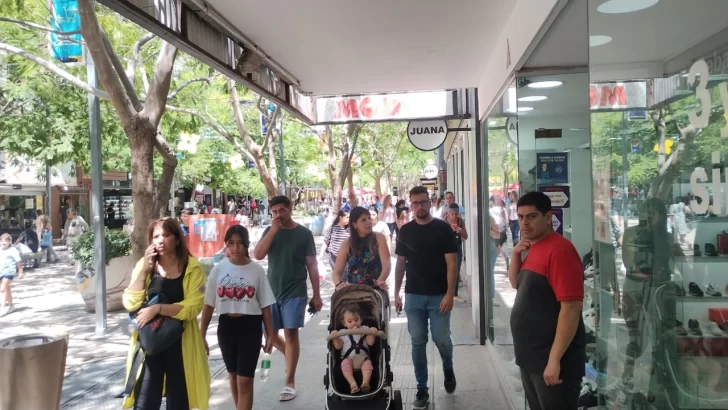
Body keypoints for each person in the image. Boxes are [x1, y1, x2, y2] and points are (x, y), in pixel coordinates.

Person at [121, 218, 210, 410]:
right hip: (150, 346)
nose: (160, 240)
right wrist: (144, 271)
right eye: (156, 236)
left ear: (177, 239)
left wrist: (158, 308)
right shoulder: (145, 265)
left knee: (179, 403)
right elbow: (130, 302)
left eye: (166, 235)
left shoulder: (192, 267)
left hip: (181, 345)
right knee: (144, 403)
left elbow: (193, 306)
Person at [508, 192, 585, 410]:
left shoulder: (560, 251)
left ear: (548, 217)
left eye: (531, 217)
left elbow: (571, 309)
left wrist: (554, 360)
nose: (524, 223)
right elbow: (516, 283)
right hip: (531, 358)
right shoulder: (533, 246)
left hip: (552, 362)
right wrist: (515, 254)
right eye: (521, 217)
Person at [253, 195, 323, 402]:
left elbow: (312, 264)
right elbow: (258, 255)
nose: (278, 215)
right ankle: (290, 355)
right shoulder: (270, 231)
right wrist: (273, 231)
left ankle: (289, 381)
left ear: (291, 208)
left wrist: (316, 295)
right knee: (270, 334)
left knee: (291, 333)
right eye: (274, 211)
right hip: (271, 291)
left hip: (296, 290)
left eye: (282, 210)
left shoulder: (304, 234)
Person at [394, 186, 458, 409]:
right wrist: (396, 293)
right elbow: (400, 264)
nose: (419, 207)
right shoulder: (405, 230)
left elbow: (452, 263)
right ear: (410, 205)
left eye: (423, 202)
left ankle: (448, 368)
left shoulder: (442, 229)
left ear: (429, 202)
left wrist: (450, 294)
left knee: (442, 338)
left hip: (439, 294)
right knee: (418, 342)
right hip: (413, 296)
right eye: (415, 203)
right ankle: (422, 388)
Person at [200, 225, 276, 410]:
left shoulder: (256, 271)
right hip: (226, 327)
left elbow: (266, 305)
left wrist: (270, 334)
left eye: (240, 243)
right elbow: (208, 304)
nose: (235, 248)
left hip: (250, 326)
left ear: (246, 245)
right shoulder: (218, 270)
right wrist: (201, 335)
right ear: (226, 245)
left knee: (245, 380)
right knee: (233, 376)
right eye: (231, 243)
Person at [332, 206, 391, 290]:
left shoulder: (379, 238)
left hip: (375, 290)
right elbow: (337, 272)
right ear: (354, 224)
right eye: (363, 220)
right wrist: (338, 284)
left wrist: (380, 281)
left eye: (369, 218)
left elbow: (387, 265)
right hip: (354, 291)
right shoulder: (347, 244)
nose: (369, 222)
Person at [330, 305, 379, 394]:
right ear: (344, 323)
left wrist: (372, 332)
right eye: (350, 321)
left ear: (361, 320)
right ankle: (353, 384)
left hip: (363, 359)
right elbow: (338, 346)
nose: (354, 323)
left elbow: (370, 342)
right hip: (348, 360)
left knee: (368, 363)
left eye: (356, 320)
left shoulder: (365, 329)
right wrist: (335, 337)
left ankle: (365, 383)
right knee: (344, 363)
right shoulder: (342, 333)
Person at [446, 203, 468, 302]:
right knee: (446, 270)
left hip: (457, 248)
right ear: (449, 214)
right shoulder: (444, 222)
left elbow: (466, 237)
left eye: (456, 214)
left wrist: (461, 230)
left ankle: (455, 294)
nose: (454, 216)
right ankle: (446, 292)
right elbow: (440, 238)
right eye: (452, 214)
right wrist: (450, 230)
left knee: (456, 270)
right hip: (446, 249)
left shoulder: (460, 221)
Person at [0, 233, 23, 317]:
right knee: (7, 288)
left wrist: (20, 271)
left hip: (9, 271)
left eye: (6, 241)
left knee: (2, 289)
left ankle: (2, 308)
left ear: (10, 242)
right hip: (1, 271)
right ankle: (11, 306)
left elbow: (18, 261)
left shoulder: (13, 250)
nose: (3, 243)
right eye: (1, 241)